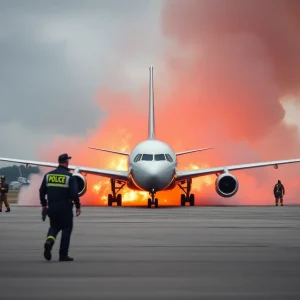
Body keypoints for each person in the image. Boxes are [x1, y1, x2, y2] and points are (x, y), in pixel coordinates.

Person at [39, 153, 81, 262]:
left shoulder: (48, 175)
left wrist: (44, 204)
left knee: (54, 227)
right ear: (66, 162)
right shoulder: (69, 177)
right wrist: (77, 206)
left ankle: (49, 242)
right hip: (65, 208)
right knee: (66, 229)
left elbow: (41, 191)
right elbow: (74, 194)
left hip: (52, 206)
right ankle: (63, 255)